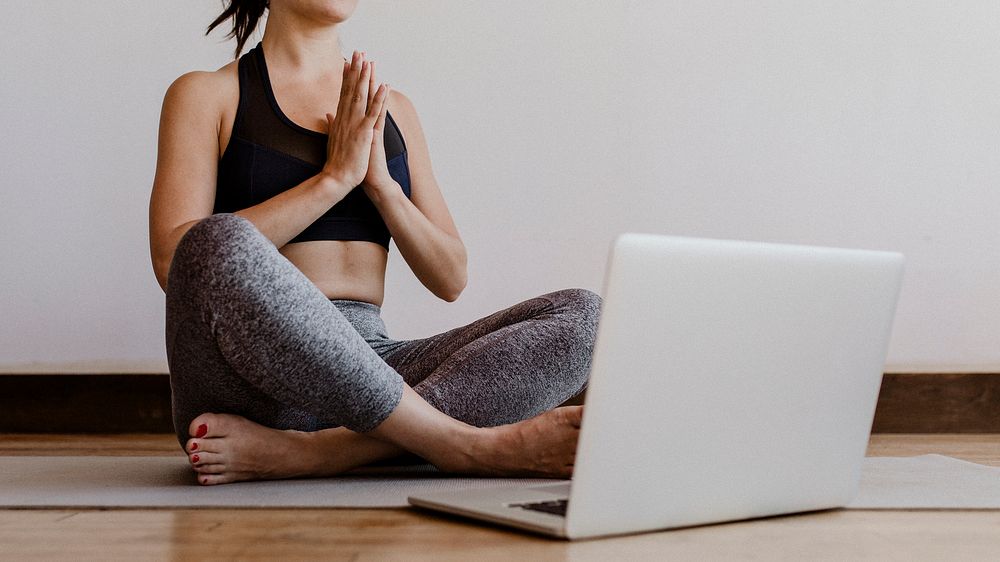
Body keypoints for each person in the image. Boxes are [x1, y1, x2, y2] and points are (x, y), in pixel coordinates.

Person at [148, 0, 601, 485]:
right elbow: (174, 259)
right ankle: (459, 444)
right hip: (250, 382)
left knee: (585, 317)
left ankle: (330, 452)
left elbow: (450, 277)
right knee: (216, 240)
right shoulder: (207, 94)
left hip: (374, 363)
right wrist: (333, 180)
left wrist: (384, 189)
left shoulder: (395, 110)